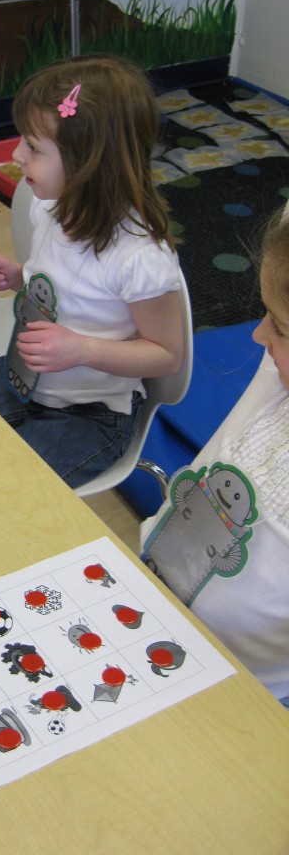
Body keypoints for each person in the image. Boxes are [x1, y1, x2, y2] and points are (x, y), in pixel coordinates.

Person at [0, 54, 183, 488]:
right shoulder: (50, 208)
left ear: (89, 164)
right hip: (21, 379)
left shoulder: (140, 258)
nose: (15, 154)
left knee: (3, 489)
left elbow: (166, 354)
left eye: (33, 147)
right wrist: (18, 275)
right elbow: (64, 282)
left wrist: (82, 349)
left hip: (92, 415)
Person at [141, 204, 289, 706]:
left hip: (242, 691)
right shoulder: (277, 373)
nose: (257, 334)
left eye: (281, 328)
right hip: (157, 601)